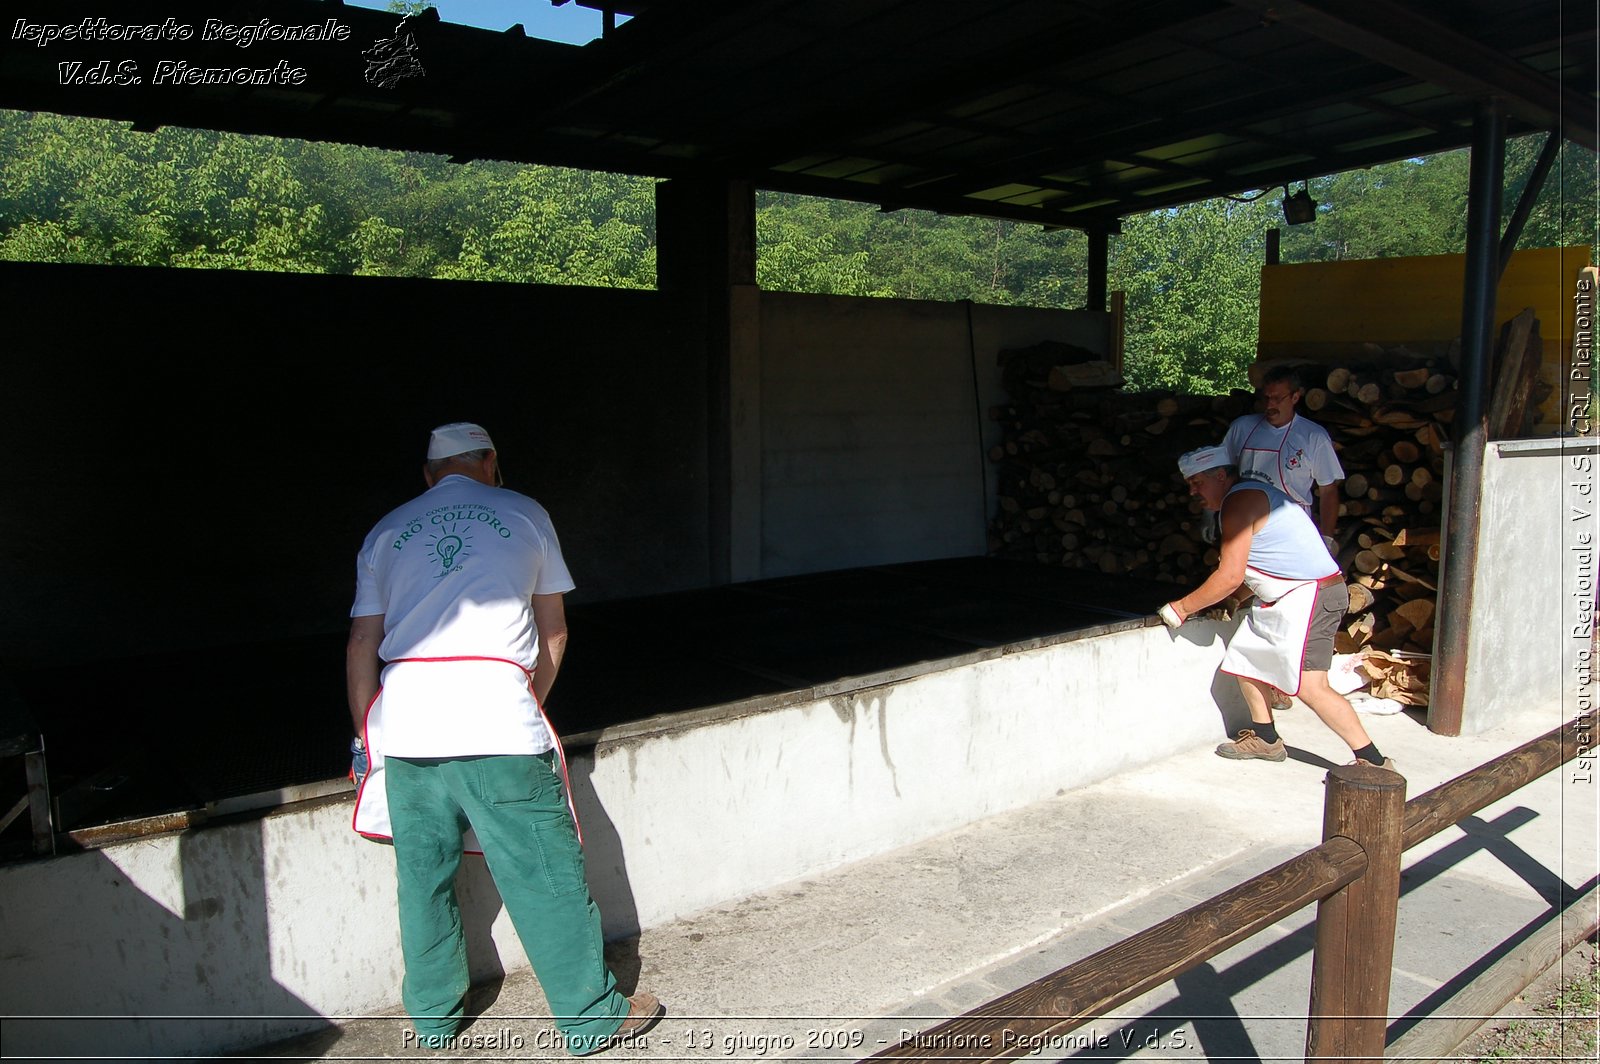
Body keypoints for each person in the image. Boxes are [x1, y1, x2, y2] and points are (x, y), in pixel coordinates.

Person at [346, 422, 662, 1054]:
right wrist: (523, 700)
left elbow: (361, 643)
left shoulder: (385, 530)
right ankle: (590, 1016)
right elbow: (555, 630)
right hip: (498, 721)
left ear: (428, 474)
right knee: (542, 870)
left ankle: (433, 1020)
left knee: (422, 878)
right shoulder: (524, 513)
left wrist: (366, 739)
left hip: (406, 726)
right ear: (491, 462)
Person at [1159, 445, 1394, 771]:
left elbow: (1229, 575)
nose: (1193, 491)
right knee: (1244, 659)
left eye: (1198, 482)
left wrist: (1181, 608)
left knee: (1313, 688)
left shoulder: (1238, 504)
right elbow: (1263, 565)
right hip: (1288, 597)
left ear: (1222, 475)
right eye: (1189, 484)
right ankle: (1267, 740)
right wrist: (1234, 600)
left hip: (1310, 598)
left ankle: (1375, 763)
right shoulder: (1249, 495)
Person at [1220, 364, 1344, 546]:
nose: (1270, 405)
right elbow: (1221, 474)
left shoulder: (1313, 436)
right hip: (1244, 526)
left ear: (1295, 397)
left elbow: (1328, 490)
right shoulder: (1242, 428)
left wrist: (1327, 538)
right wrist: (1211, 513)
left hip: (1292, 531)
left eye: (1277, 398)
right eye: (1266, 398)